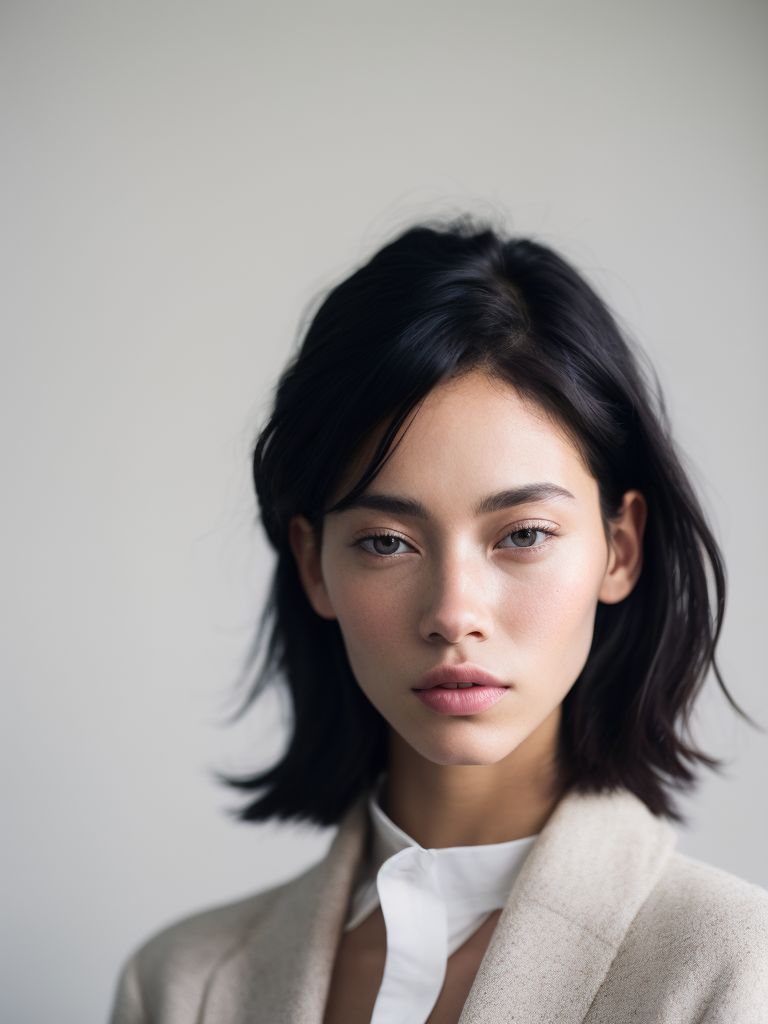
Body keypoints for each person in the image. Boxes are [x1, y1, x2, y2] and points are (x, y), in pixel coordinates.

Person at [109, 222, 768, 1024]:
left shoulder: (733, 970)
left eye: (523, 535)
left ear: (620, 549)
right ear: (314, 564)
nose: (454, 613)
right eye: (387, 542)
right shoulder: (178, 986)